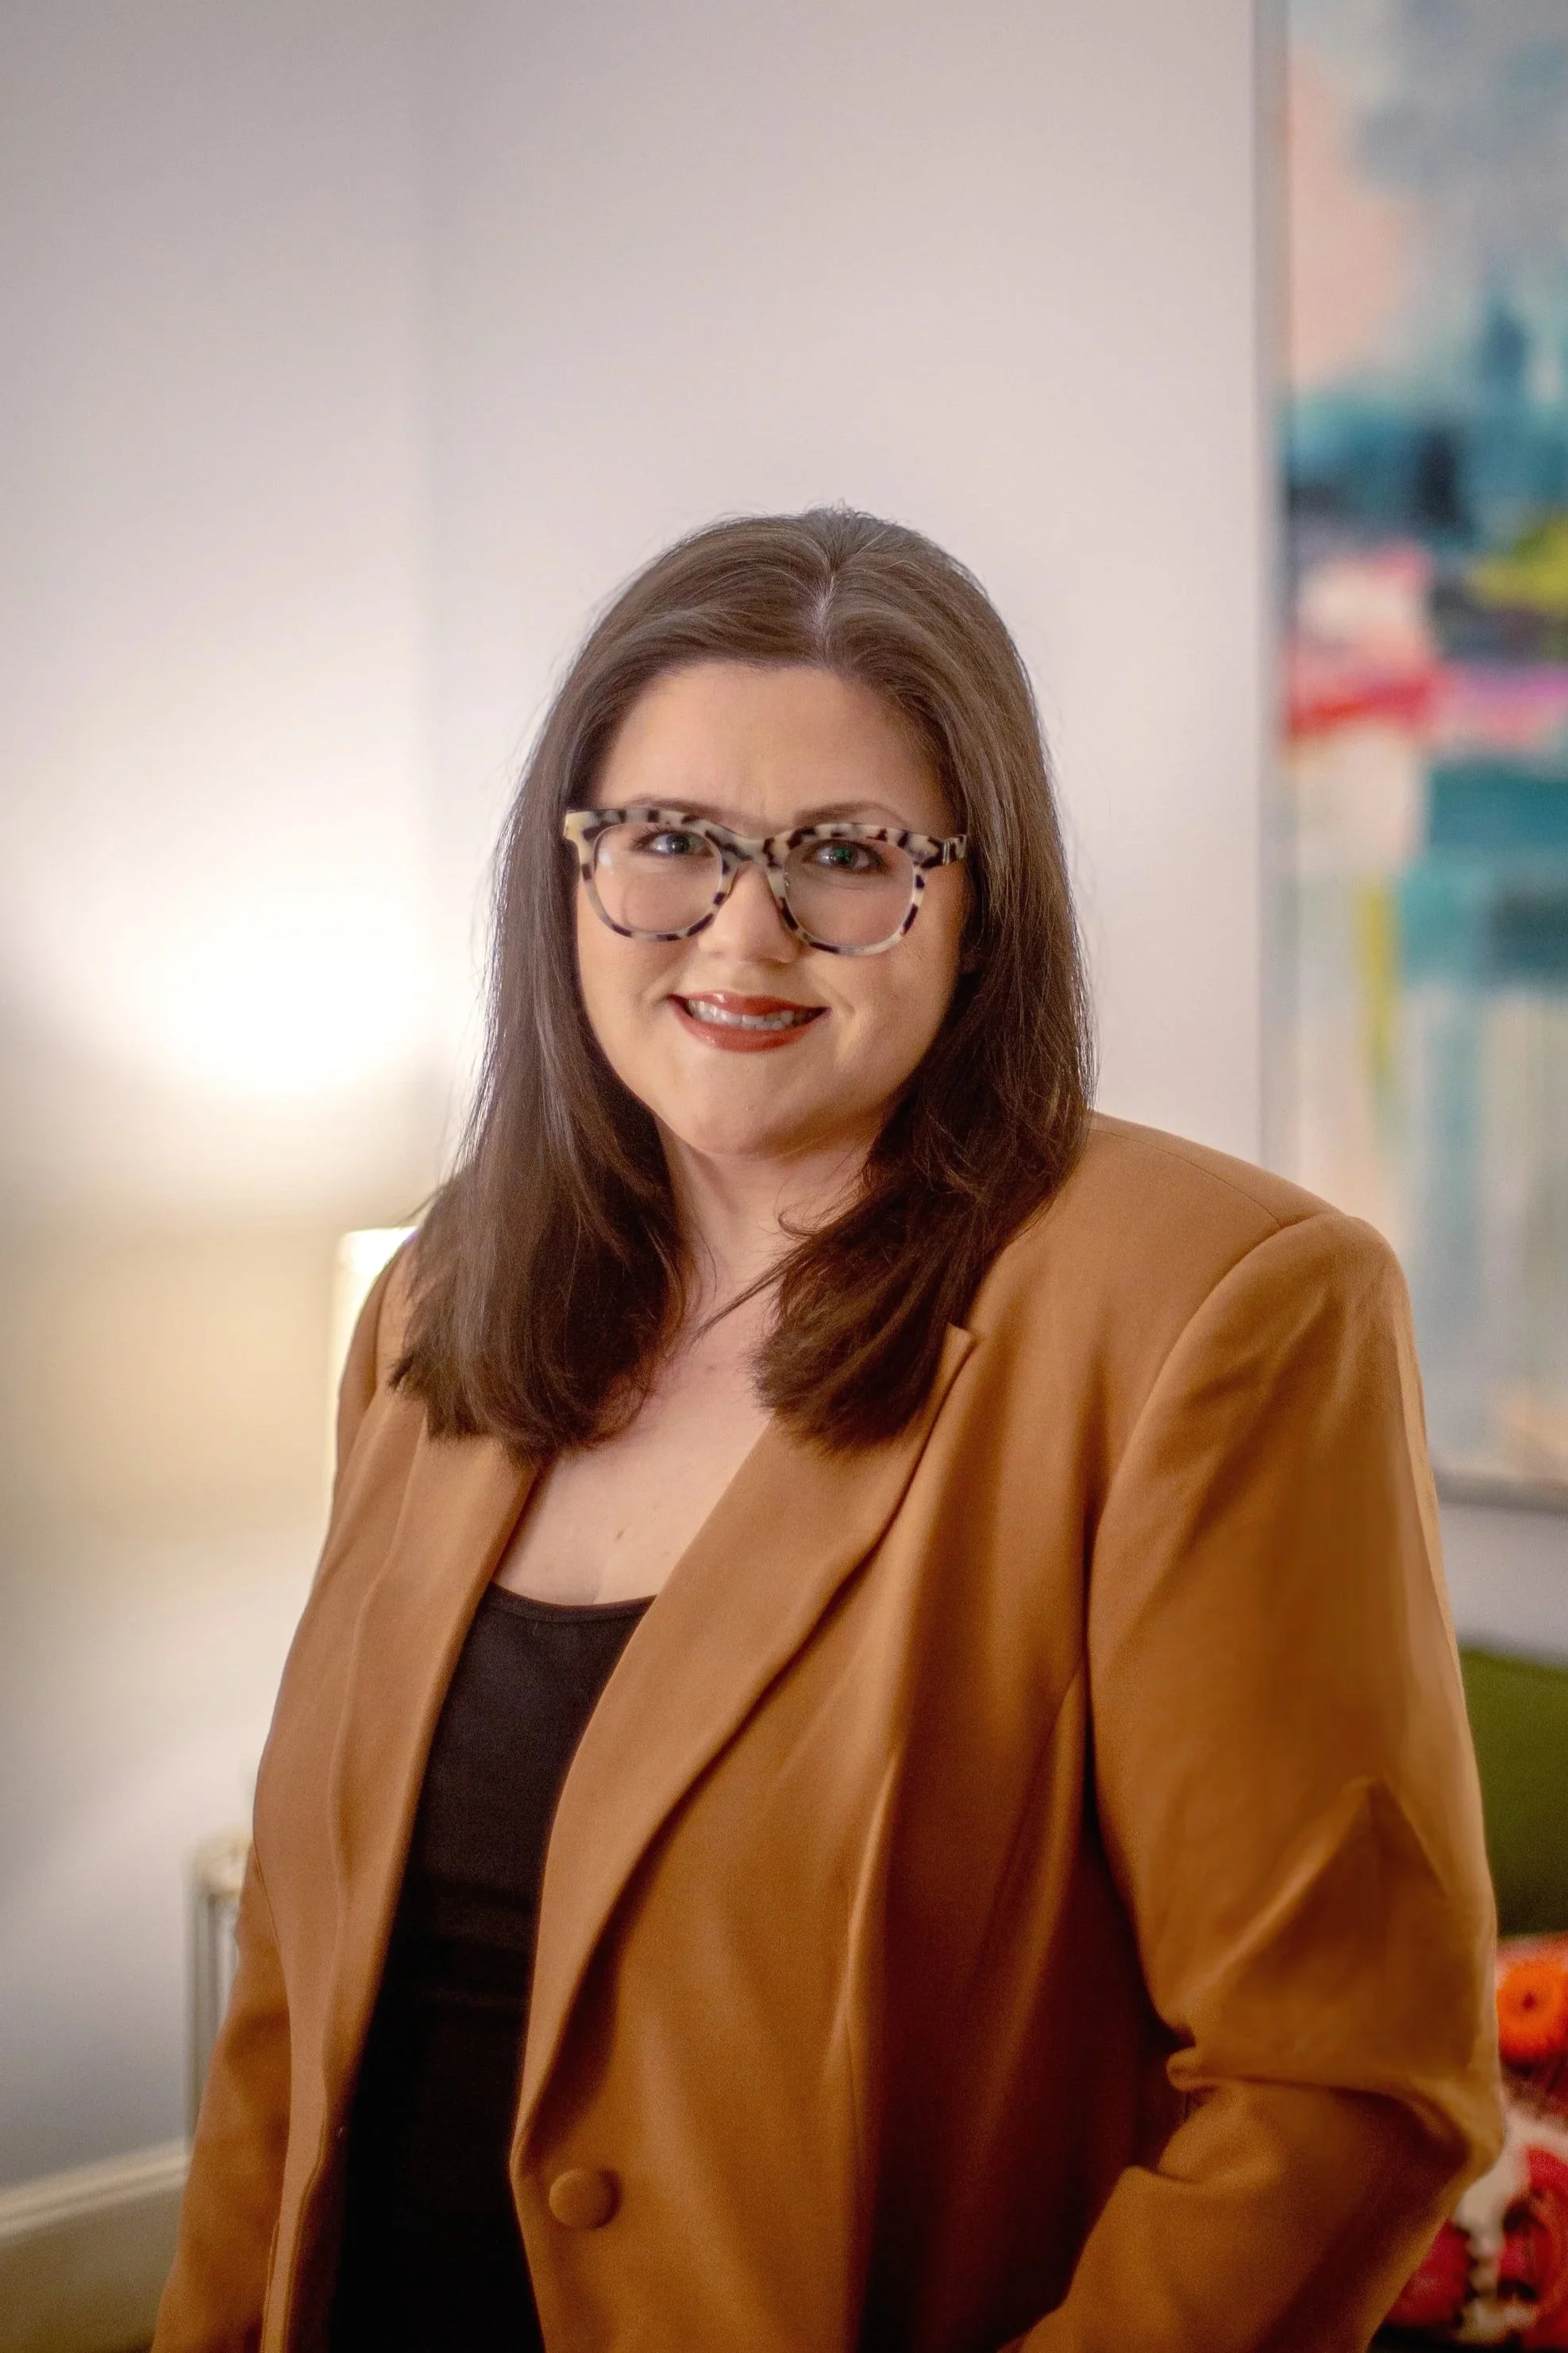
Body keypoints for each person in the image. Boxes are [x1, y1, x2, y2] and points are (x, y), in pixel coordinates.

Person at [154, 509, 1502, 2353]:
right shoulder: (441, 1295)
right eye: (673, 842)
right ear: (573, 869)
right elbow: (291, 1999)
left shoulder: (1219, 1311)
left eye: (847, 856)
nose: (745, 927)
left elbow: (1341, 2092)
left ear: (981, 897)